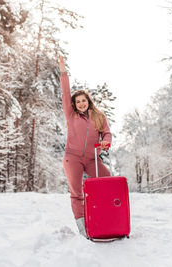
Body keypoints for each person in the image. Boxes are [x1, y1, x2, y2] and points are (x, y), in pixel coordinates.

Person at [58, 56, 111, 237]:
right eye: (78, 101)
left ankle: (104, 218)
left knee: (106, 179)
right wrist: (63, 70)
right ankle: (83, 229)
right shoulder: (70, 115)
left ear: (88, 101)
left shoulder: (98, 116)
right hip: (72, 158)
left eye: (84, 100)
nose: (81, 103)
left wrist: (106, 142)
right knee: (76, 192)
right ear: (74, 104)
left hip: (91, 158)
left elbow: (107, 133)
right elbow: (65, 93)